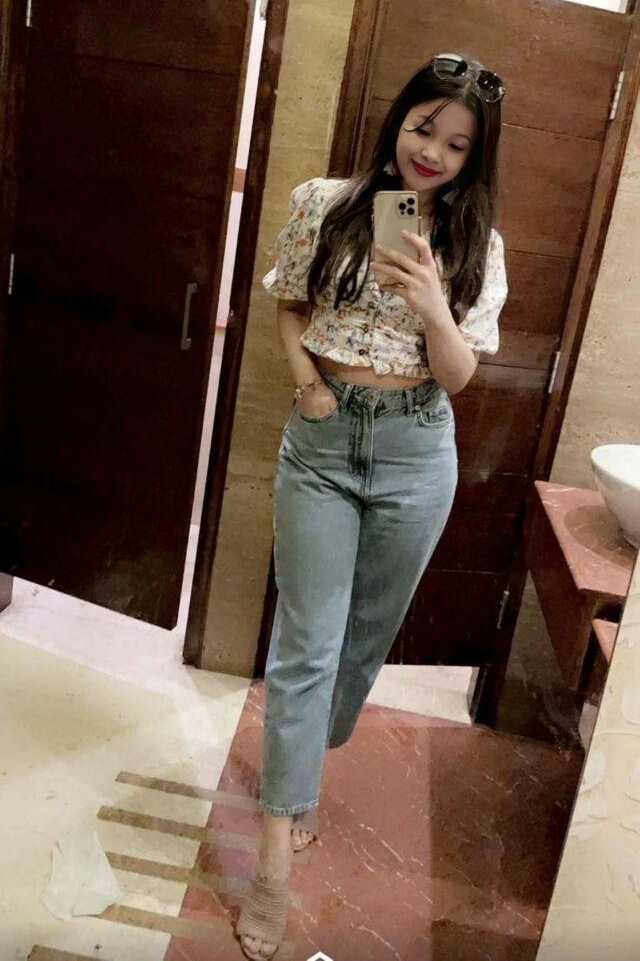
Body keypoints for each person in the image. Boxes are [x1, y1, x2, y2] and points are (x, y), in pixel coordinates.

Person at [234, 51, 508, 959]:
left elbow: (460, 377)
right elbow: (288, 305)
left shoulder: (477, 245)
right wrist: (309, 384)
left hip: (416, 449)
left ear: (473, 158)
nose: (433, 151)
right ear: (400, 121)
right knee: (306, 644)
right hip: (323, 441)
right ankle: (273, 859)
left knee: (362, 639)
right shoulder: (324, 202)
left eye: (457, 144)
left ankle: (302, 766)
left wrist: (432, 301)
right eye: (425, 126)